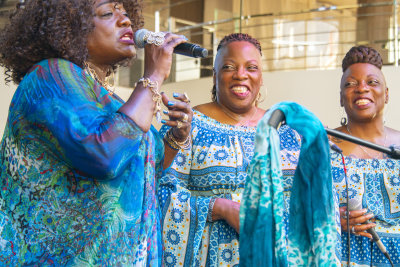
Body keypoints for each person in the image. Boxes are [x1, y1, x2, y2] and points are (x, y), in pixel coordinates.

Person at [0, 0, 193, 265]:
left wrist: (176, 136)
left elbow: (146, 168)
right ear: (69, 28)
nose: (126, 21)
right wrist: (153, 78)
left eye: (126, 14)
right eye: (107, 13)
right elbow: (104, 154)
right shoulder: (49, 76)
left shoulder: (109, 98)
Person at [158, 33, 301, 266]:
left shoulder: (288, 132)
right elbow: (158, 191)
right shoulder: (188, 124)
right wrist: (220, 208)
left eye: (251, 67)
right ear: (214, 76)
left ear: (261, 77)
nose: (241, 75)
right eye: (228, 66)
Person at [330, 46, 400, 266]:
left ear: (386, 94)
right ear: (341, 98)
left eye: (372, 82)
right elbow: (297, 207)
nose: (362, 89)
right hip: (344, 258)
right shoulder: (324, 146)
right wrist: (333, 219)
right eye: (351, 84)